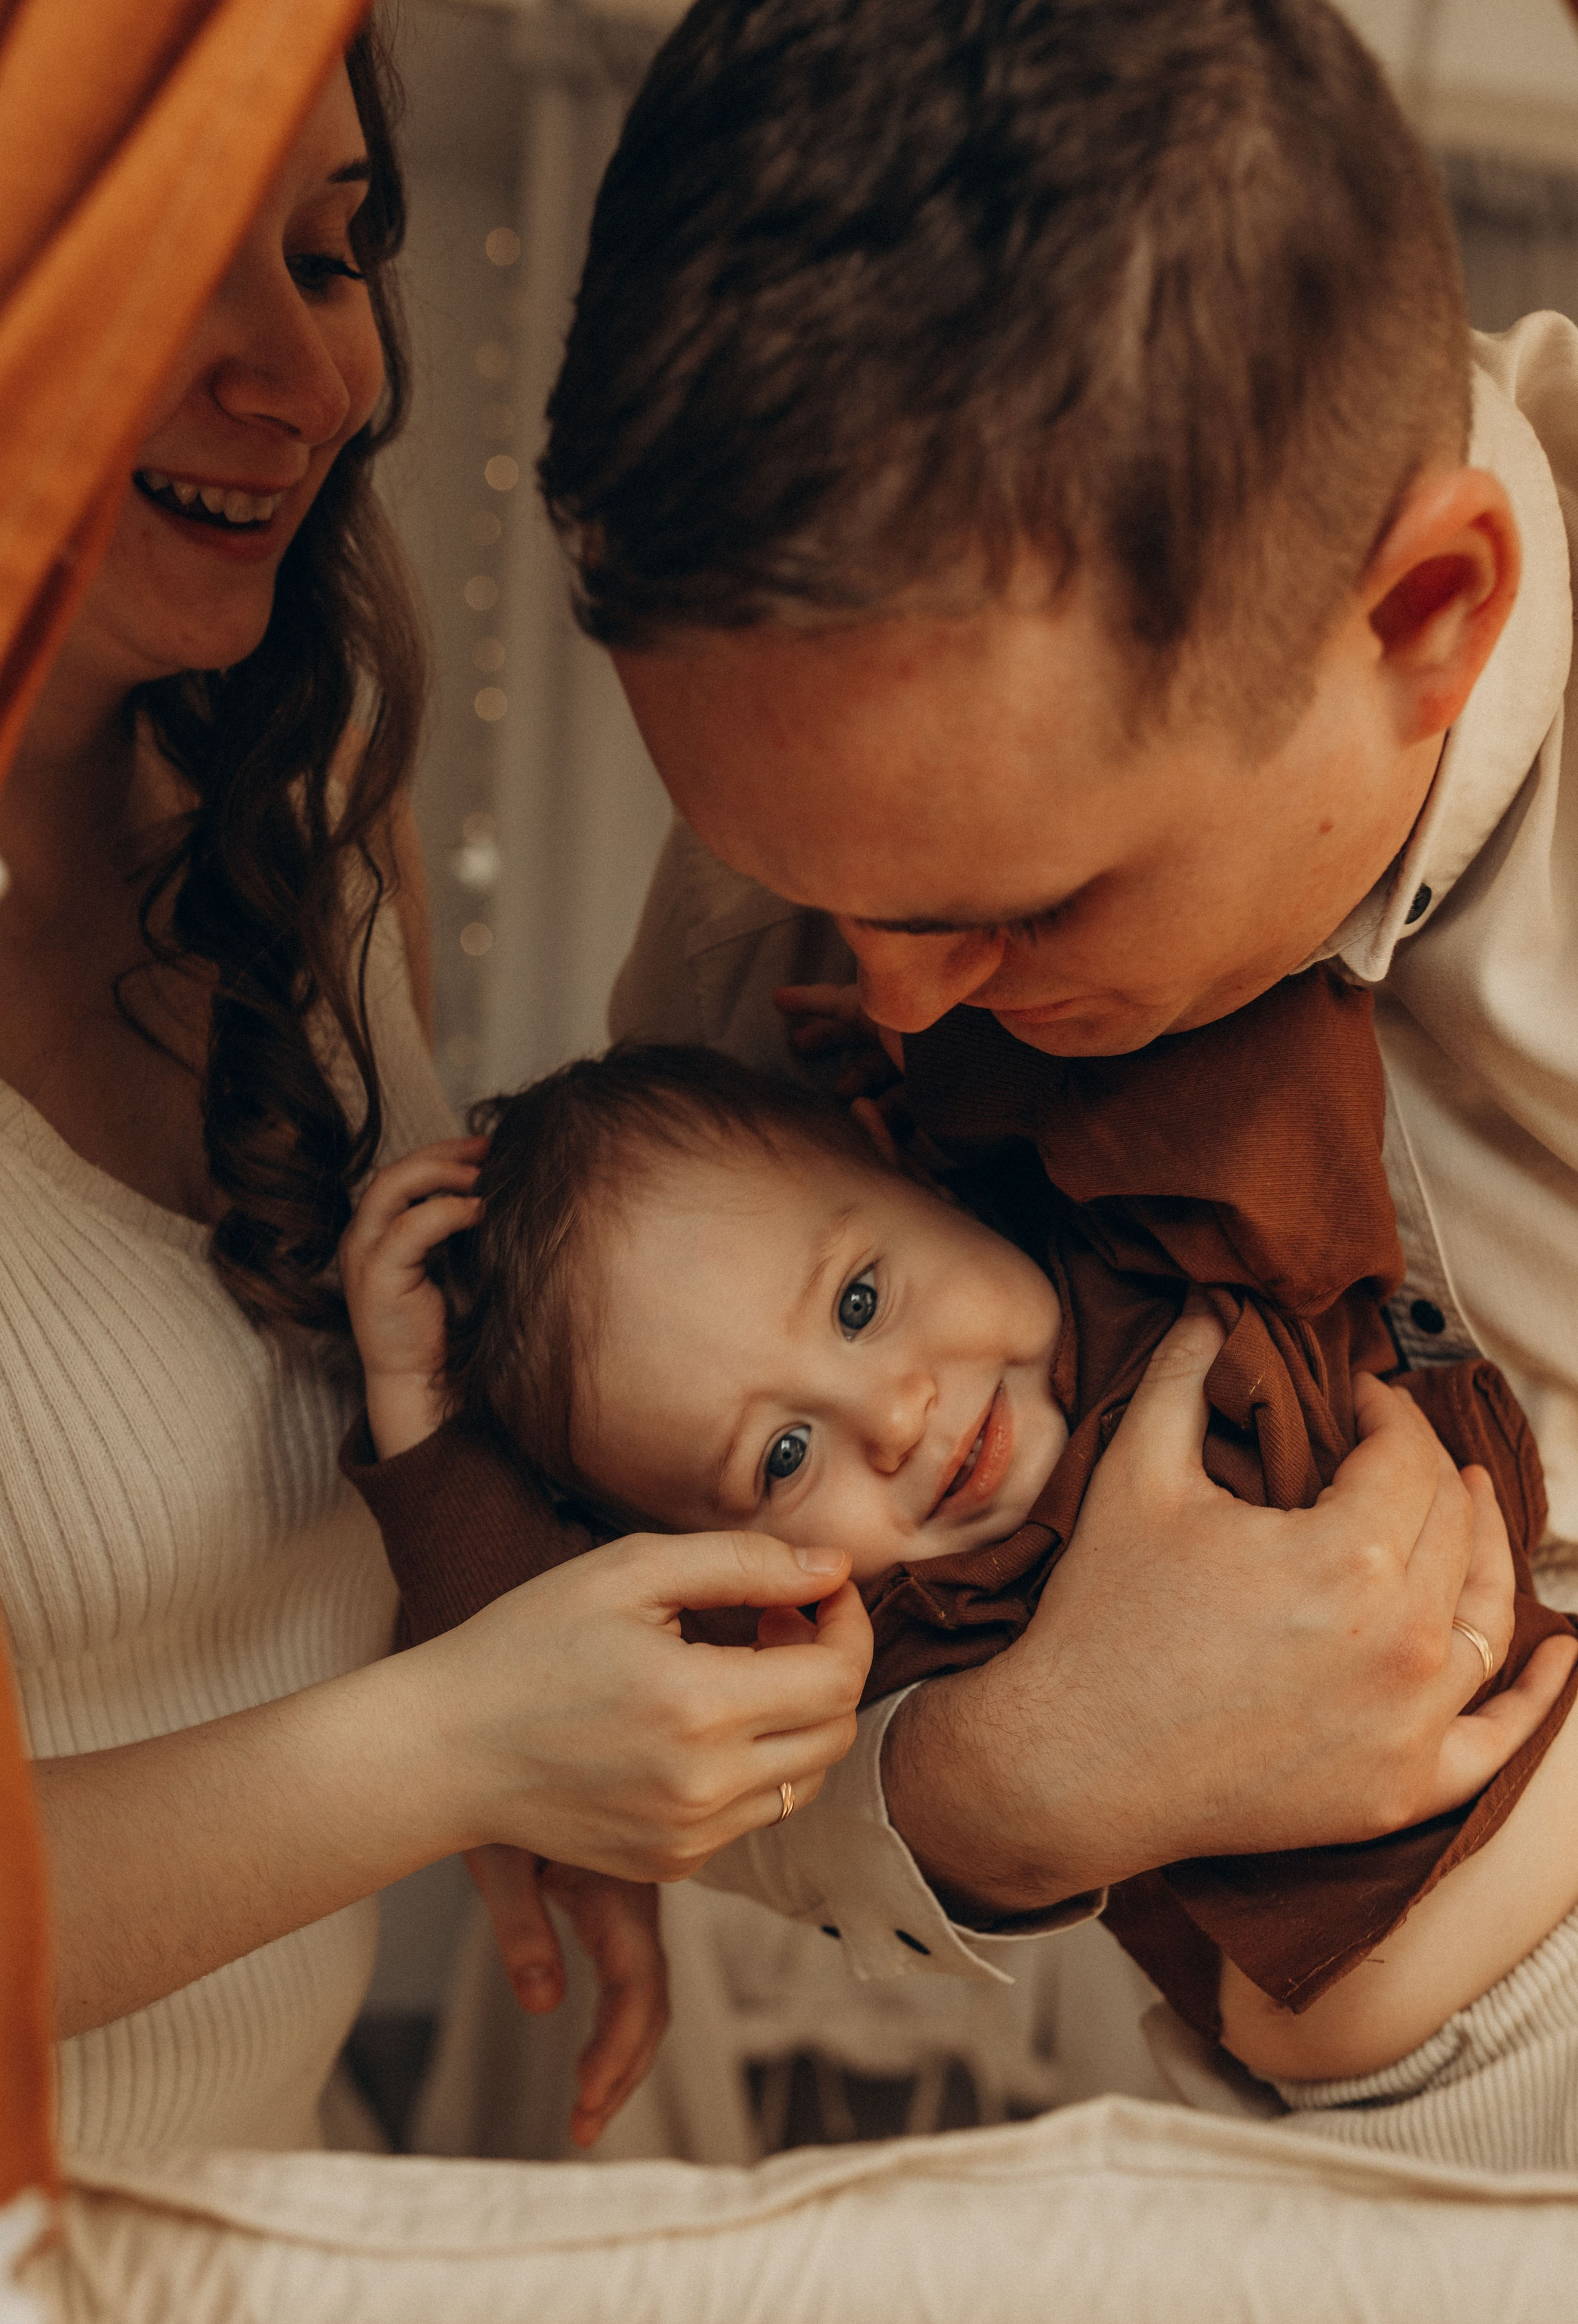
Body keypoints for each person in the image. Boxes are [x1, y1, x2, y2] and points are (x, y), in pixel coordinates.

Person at [515, 0, 1578, 1976]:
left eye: (1022, 908)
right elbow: (618, 1675)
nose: (896, 1014)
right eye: (817, 889)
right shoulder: (842, 824)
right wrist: (1000, 1789)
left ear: (1428, 619)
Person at [0, 25, 868, 2158]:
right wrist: (460, 1749)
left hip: (258, 2212)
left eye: (333, 253)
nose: (317, 377)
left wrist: (520, 1719)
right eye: (193, 250)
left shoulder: (296, 826)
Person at [340, 1029, 1578, 2168]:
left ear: (909, 1162)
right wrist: (421, 1421)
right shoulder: (873, 1635)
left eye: (859, 1301)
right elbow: (555, 1679)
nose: (891, 1418)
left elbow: (1245, 1020)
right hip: (1386, 2087)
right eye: (780, 1459)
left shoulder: (1143, 1238)